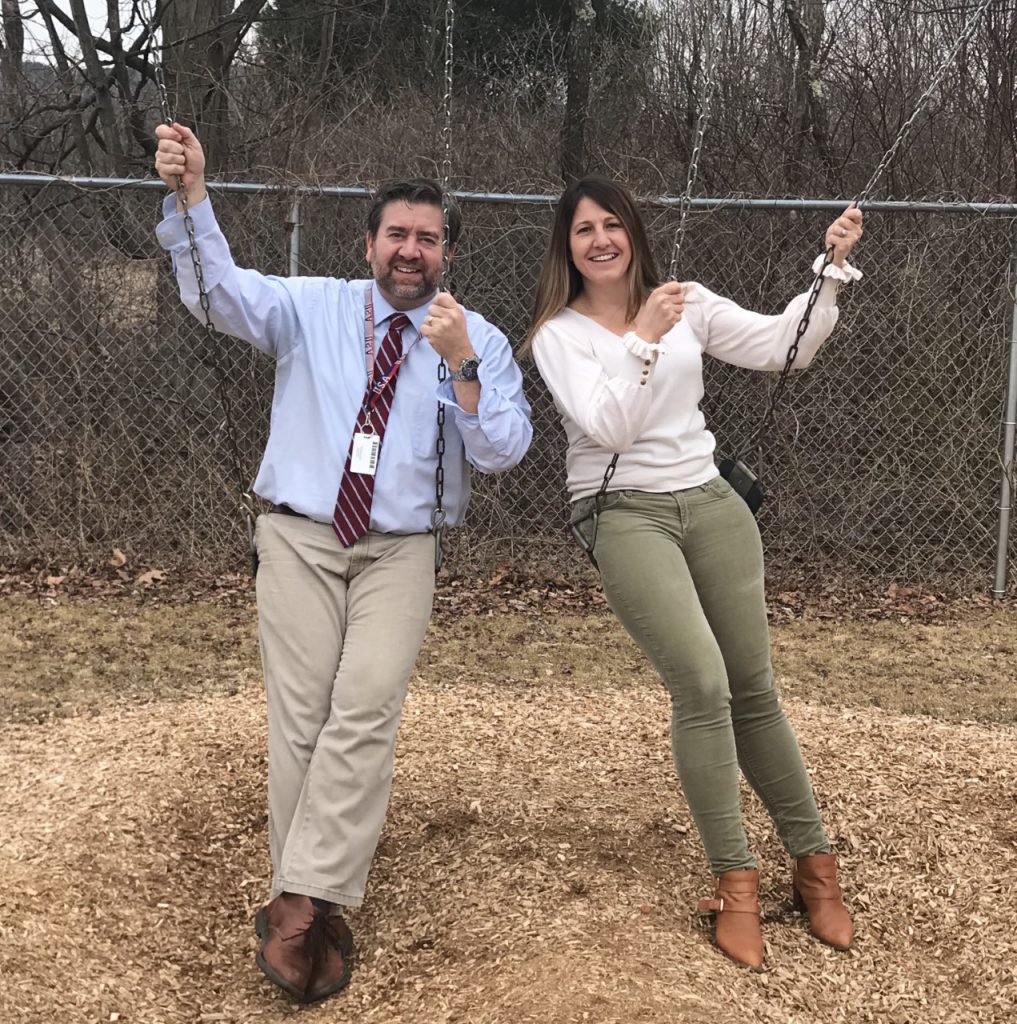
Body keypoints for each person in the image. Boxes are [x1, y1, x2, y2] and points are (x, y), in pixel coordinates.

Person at [154, 123, 532, 1003]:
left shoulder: (472, 337)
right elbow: (217, 294)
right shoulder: (311, 306)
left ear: (446, 252)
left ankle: (295, 897)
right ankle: (316, 905)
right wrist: (193, 199)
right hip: (299, 535)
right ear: (368, 244)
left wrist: (462, 365)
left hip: (401, 547)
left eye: (427, 238)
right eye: (395, 235)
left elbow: (503, 450)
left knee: (362, 707)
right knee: (301, 716)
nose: (410, 250)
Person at [524, 175, 862, 971]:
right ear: (565, 247)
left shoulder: (686, 301)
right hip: (622, 511)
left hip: (709, 501)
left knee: (752, 685)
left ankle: (814, 869)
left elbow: (786, 348)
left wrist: (827, 269)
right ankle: (734, 883)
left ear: (634, 233)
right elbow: (607, 427)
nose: (600, 239)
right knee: (702, 684)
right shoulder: (556, 335)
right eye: (583, 230)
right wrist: (641, 337)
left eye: (612, 225)